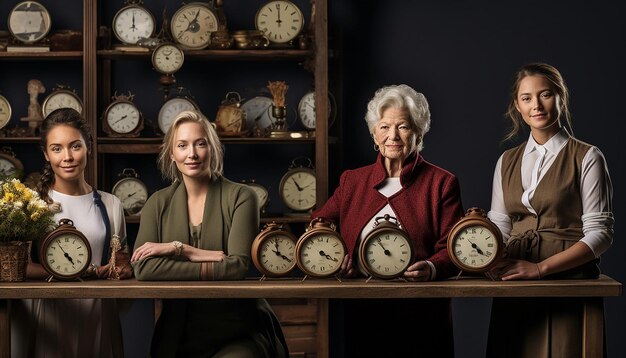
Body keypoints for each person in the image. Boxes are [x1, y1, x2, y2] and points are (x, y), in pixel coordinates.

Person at [311, 84, 464, 357]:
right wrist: (338, 259)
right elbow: (319, 222)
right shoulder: (352, 181)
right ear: (374, 132)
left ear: (418, 132)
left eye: (403, 127)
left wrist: (431, 267)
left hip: (421, 311)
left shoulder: (441, 183)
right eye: (384, 127)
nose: (392, 136)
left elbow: (453, 248)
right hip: (364, 307)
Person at [131, 110, 289, 358]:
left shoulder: (241, 196)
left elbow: (238, 267)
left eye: (200, 144)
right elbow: (143, 268)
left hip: (238, 328)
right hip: (177, 334)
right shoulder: (157, 203)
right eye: (182, 145)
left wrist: (181, 250)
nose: (192, 154)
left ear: (212, 149)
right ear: (172, 154)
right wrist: (206, 259)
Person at [486, 63, 614, 358]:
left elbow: (601, 235)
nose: (536, 105)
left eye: (545, 95)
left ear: (561, 98)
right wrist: (491, 261)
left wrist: (541, 269)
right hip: (515, 281)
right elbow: (500, 225)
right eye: (527, 98)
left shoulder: (587, 157)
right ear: (517, 106)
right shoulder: (506, 160)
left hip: (568, 283)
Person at [11, 107, 131, 357]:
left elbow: (120, 260)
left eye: (75, 146)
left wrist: (123, 267)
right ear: (46, 154)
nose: (68, 156)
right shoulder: (33, 205)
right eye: (57, 148)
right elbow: (16, 266)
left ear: (88, 147)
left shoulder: (111, 204)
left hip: (97, 316)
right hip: (46, 317)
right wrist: (86, 272)